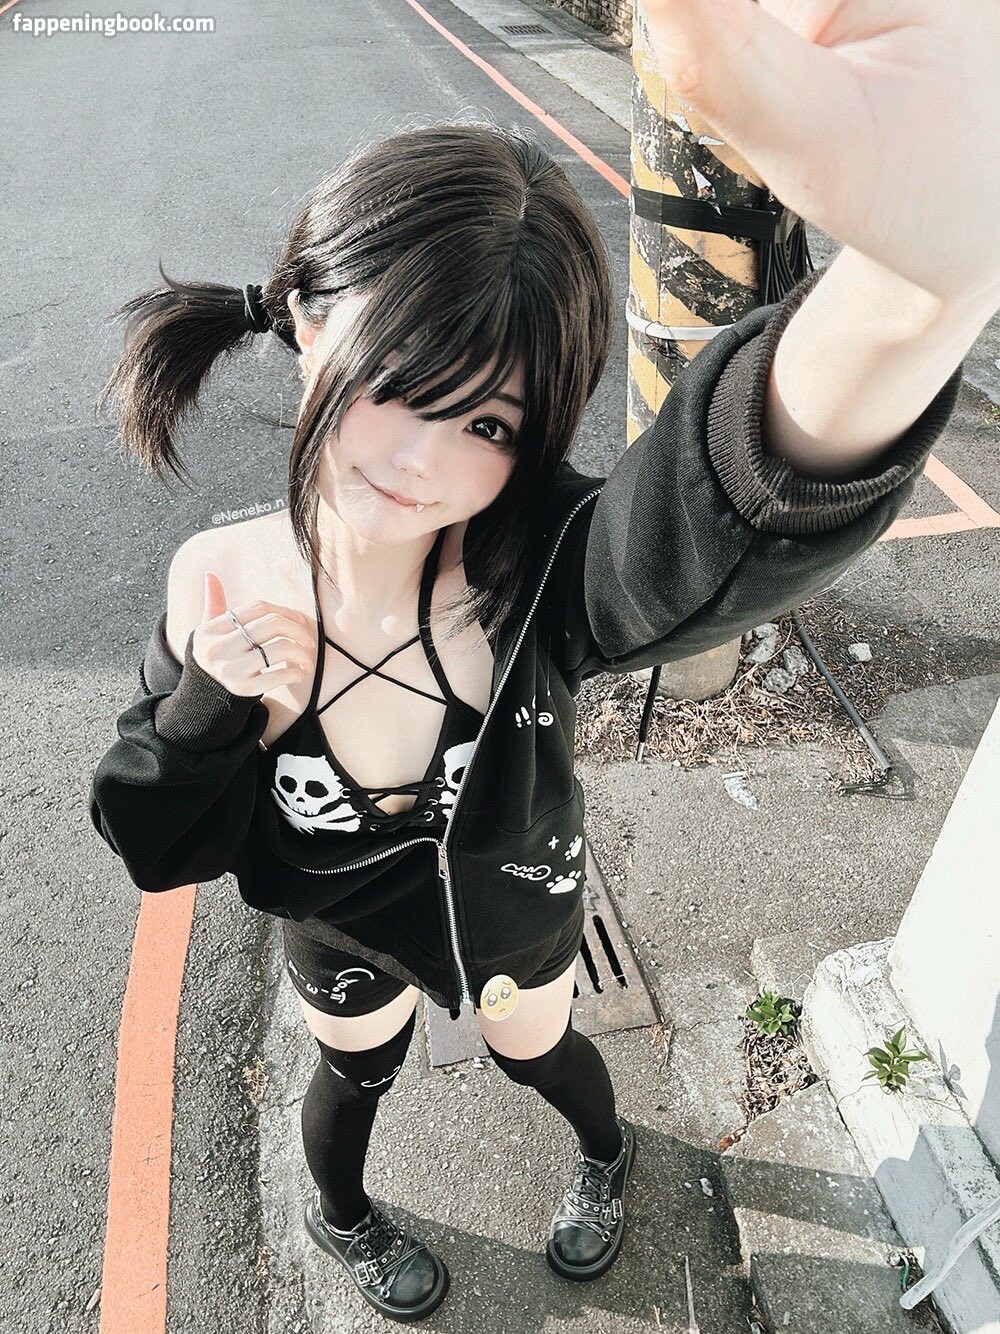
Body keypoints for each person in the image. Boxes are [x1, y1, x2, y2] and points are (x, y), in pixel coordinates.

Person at [89, 72, 976, 1318]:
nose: (423, 461)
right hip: (335, 929)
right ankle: (342, 1214)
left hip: (513, 912)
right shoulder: (216, 582)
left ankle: (609, 1157)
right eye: (400, 381)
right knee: (354, 1074)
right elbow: (150, 834)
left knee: (543, 1052)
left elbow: (702, 514)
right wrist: (203, 713)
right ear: (305, 317)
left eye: (491, 426)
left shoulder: (542, 565)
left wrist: (918, 280)